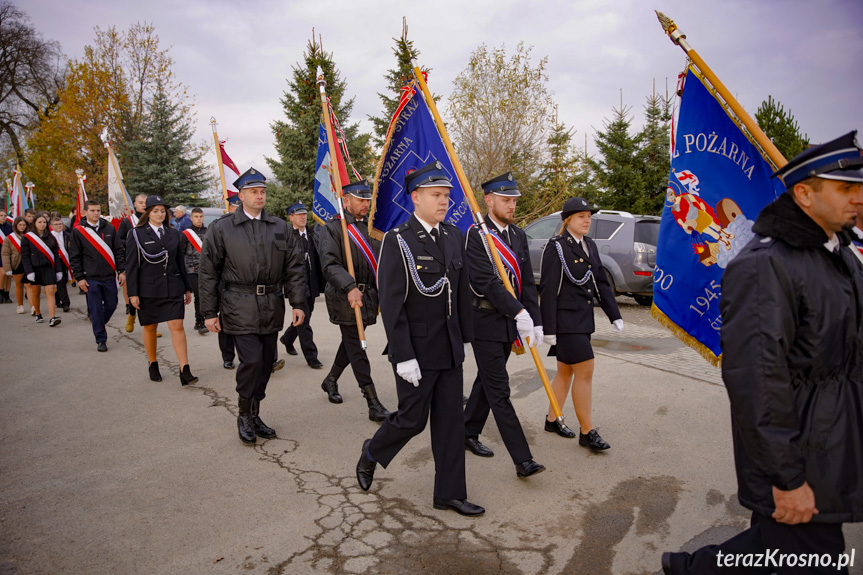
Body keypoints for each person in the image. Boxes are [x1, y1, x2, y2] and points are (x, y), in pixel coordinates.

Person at [661, 132, 863, 574]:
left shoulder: (839, 254)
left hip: (831, 441)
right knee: (810, 554)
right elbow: (756, 380)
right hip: (800, 452)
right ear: (804, 194)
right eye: (846, 188)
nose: (858, 199)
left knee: (777, 548)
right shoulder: (765, 265)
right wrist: (786, 478)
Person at [355, 161, 483, 516]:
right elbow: (392, 304)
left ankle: (449, 493)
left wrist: (468, 340)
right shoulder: (399, 240)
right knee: (412, 420)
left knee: (450, 423)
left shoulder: (454, 235)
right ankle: (372, 452)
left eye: (446, 195)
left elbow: (459, 293)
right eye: (436, 195)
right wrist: (403, 354)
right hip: (416, 350)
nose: (444, 202)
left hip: (448, 348)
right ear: (416, 197)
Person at [199, 167, 307, 445]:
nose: (260, 196)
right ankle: (244, 414)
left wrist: (298, 302)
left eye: (262, 192)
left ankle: (255, 411)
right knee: (252, 360)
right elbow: (208, 271)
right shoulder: (222, 228)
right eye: (253, 192)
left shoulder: (280, 227)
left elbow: (294, 268)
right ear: (241, 195)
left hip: (271, 304)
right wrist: (209, 312)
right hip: (238, 303)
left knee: (266, 362)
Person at [462, 172, 546, 478]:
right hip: (484, 322)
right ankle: (522, 460)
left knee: (486, 381)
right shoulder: (475, 236)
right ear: (489, 200)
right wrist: (518, 312)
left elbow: (527, 284)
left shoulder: (518, 236)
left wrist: (534, 321)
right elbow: (485, 282)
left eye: (514, 201)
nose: (512, 206)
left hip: (510, 323)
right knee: (499, 390)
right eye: (506, 200)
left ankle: (467, 431)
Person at [539, 196, 622, 450]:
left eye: (589, 216)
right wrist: (549, 329)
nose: (587, 220)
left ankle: (552, 419)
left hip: (583, 320)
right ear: (568, 220)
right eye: (581, 216)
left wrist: (614, 314)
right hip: (566, 323)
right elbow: (549, 288)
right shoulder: (557, 247)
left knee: (565, 372)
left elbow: (601, 283)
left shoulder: (590, 245)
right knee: (585, 370)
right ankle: (587, 432)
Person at [318, 179, 390, 422]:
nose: (365, 205)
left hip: (368, 295)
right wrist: (349, 287)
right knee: (358, 346)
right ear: (345, 201)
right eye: (360, 200)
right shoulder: (333, 228)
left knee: (350, 343)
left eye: (367, 200)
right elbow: (329, 264)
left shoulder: (371, 228)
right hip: (345, 295)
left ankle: (330, 380)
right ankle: (372, 401)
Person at [126, 195, 197, 386]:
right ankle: (152, 363)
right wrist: (132, 292)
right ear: (147, 213)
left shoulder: (173, 233)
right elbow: (131, 265)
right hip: (148, 289)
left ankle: (185, 369)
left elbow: (179, 262)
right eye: (155, 211)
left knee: (177, 325)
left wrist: (187, 287)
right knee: (150, 327)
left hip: (173, 286)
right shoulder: (137, 234)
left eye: (162, 211)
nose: (159, 214)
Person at [69, 200, 126, 352]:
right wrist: (79, 278)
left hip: (108, 276)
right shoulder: (78, 231)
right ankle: (101, 339)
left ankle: (98, 322)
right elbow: (74, 257)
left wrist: (122, 271)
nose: (96, 213)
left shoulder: (109, 228)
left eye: (98, 210)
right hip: (90, 278)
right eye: (93, 210)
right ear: (85, 212)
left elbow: (118, 250)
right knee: (95, 308)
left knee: (111, 304)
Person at [278, 202, 324, 369]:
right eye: (298, 214)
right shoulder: (287, 237)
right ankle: (311, 356)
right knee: (304, 321)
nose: (302, 217)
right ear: (291, 217)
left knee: (306, 315)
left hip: (311, 283)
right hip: (296, 285)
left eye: (304, 214)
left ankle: (288, 338)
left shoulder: (312, 235)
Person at [20, 213, 62, 326]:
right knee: (36, 292)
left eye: (44, 222)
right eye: (40, 222)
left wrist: (58, 270)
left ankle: (52, 317)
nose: (42, 224)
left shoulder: (50, 237)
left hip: (48, 268)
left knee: (50, 291)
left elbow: (56, 255)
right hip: (34, 269)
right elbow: (25, 256)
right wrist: (29, 271)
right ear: (34, 223)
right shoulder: (27, 238)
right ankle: (38, 313)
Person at [118, 193, 147, 333]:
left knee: (149, 294)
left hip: (148, 261)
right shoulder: (127, 221)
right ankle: (131, 316)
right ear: (135, 204)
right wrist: (134, 241)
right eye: (140, 202)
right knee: (133, 291)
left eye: (145, 202)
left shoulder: (151, 220)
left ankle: (150, 324)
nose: (143, 205)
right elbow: (119, 240)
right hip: (133, 260)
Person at [217, 194, 240, 370]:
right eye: (235, 206)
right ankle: (228, 356)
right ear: (229, 208)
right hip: (226, 283)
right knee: (226, 322)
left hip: (247, 284)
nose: (237, 209)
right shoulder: (221, 227)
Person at [180, 207, 208, 335]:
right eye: (196, 216)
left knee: (205, 295)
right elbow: (181, 252)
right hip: (191, 269)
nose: (199, 219)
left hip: (206, 269)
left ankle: (202, 319)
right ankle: (200, 321)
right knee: (198, 294)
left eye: (201, 216)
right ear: (191, 218)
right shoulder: (186, 234)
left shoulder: (208, 232)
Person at [50, 217, 72, 312]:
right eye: (56, 224)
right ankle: (65, 302)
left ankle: (58, 298)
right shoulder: (49, 237)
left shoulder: (68, 235)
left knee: (63, 281)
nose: (58, 226)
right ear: (51, 226)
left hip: (66, 260)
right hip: (55, 262)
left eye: (60, 224)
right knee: (60, 281)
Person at [0, 210, 12, 303]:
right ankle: (1, 292)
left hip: (8, 253)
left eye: (4, 215)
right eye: (1, 215)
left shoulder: (9, 227)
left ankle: (7, 294)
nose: (3, 217)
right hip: (0, 253)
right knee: (3, 273)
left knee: (8, 274)